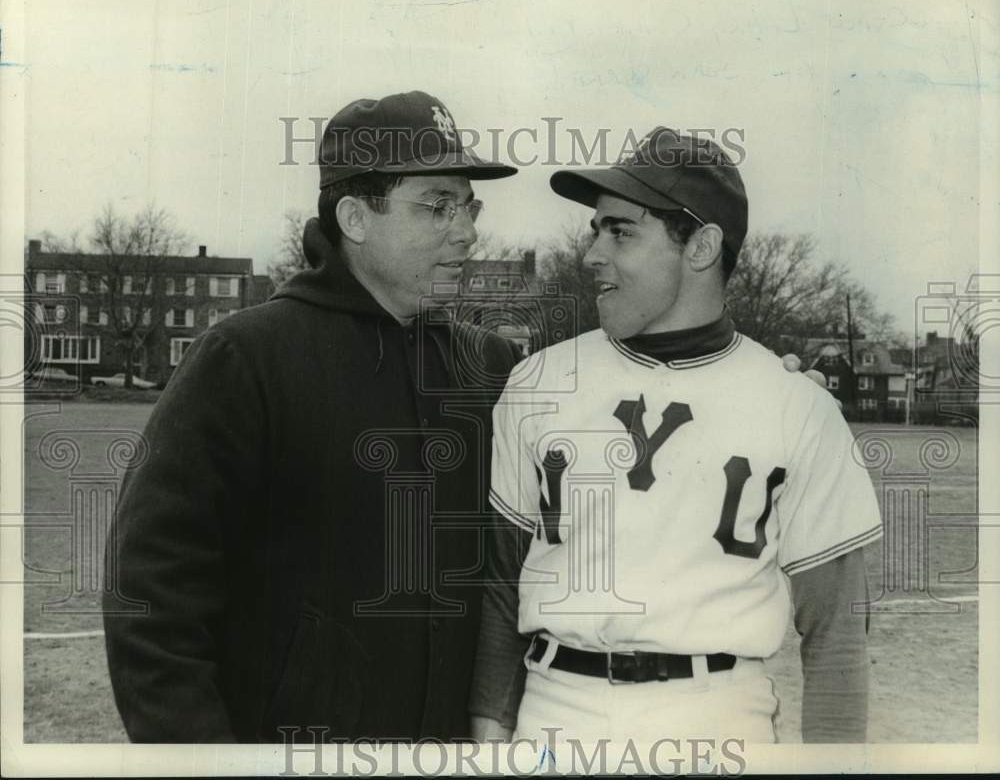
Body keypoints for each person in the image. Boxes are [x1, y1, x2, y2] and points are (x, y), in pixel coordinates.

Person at [102, 91, 524, 742]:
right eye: (438, 204)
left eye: (469, 205)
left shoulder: (489, 367)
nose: (466, 230)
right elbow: (152, 595)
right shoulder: (246, 357)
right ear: (356, 216)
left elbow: (515, 577)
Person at [469, 127, 883, 744]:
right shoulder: (540, 380)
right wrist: (487, 738)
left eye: (621, 231)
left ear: (701, 246)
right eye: (595, 230)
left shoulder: (798, 406)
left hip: (717, 716)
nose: (592, 255)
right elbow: (502, 588)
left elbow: (836, 634)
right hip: (554, 709)